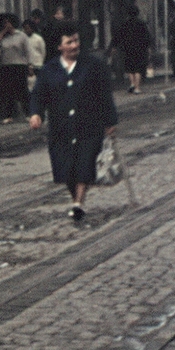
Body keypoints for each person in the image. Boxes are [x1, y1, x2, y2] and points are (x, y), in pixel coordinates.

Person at [29, 22, 118, 220]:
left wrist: (110, 121)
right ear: (60, 46)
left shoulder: (94, 65)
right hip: (61, 129)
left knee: (84, 164)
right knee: (66, 168)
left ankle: (78, 203)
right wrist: (36, 114)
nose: (74, 45)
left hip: (88, 126)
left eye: (76, 41)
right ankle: (76, 197)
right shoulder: (49, 70)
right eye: (69, 42)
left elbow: (105, 95)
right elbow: (38, 95)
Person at [0, 14, 32, 121]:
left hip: (19, 65)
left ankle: (28, 114)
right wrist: (3, 33)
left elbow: (27, 51)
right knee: (8, 91)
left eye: (9, 22)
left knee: (23, 90)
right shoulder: (3, 37)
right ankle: (9, 115)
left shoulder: (21, 35)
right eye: (5, 23)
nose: (7, 24)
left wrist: (30, 65)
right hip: (6, 65)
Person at [110, 2, 151, 94]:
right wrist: (148, 47)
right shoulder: (141, 24)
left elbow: (118, 36)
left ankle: (132, 83)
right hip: (140, 48)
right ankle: (137, 87)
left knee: (129, 67)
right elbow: (147, 36)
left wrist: (114, 47)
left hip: (127, 48)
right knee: (138, 68)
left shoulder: (124, 24)